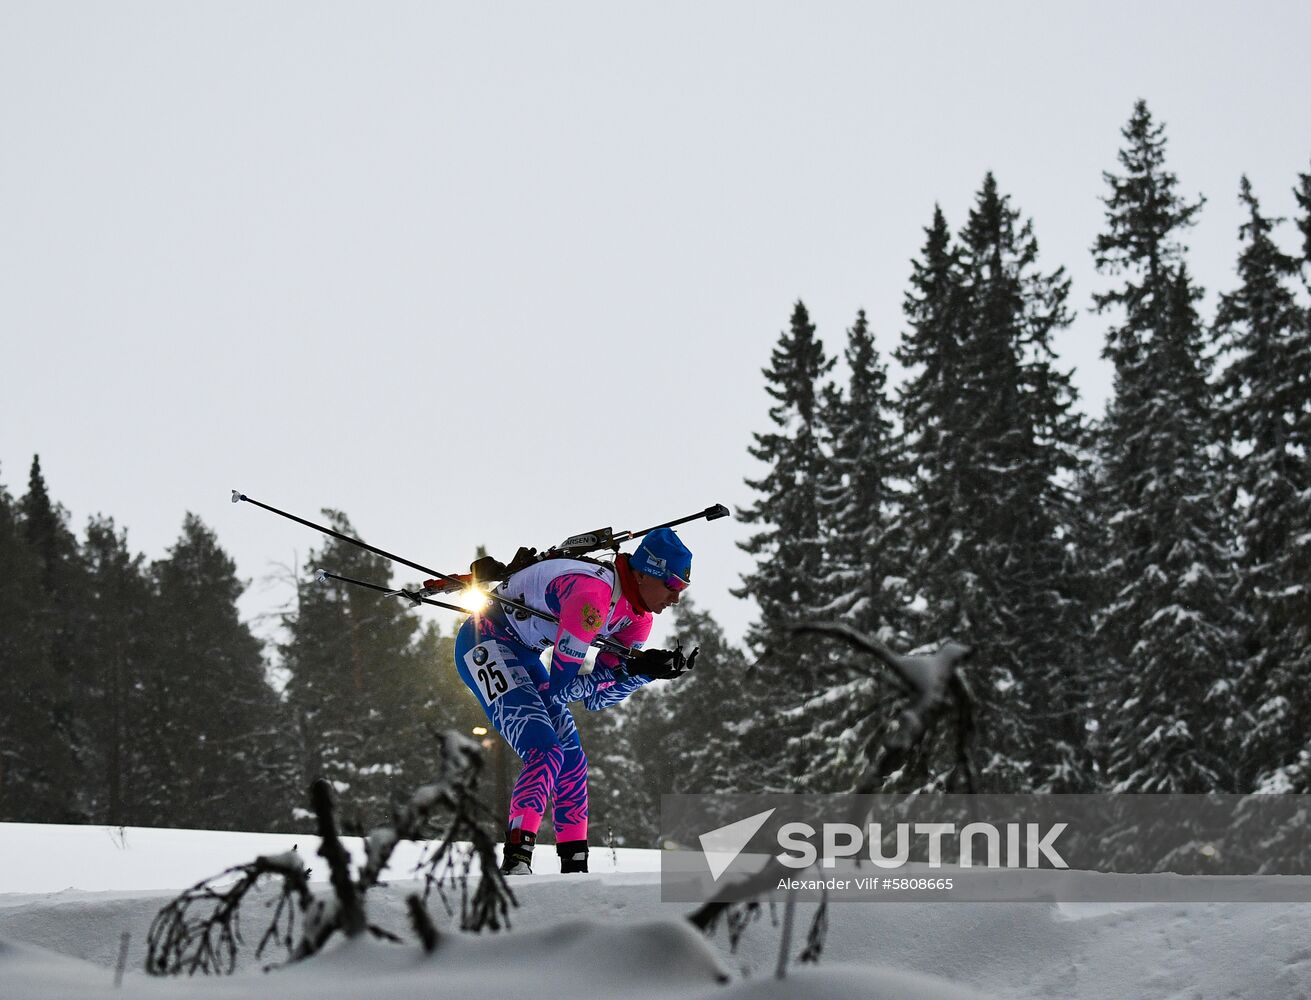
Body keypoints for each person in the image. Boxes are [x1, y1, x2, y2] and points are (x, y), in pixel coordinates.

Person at [453, 526, 698, 875]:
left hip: (523, 654)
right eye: (672, 586)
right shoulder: (591, 595)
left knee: (572, 762)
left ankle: (575, 867)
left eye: (682, 590)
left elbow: (599, 698)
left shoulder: (638, 620)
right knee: (546, 751)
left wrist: (643, 672)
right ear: (646, 574)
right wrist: (629, 668)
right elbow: (562, 689)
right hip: (484, 643)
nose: (675, 598)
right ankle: (516, 861)